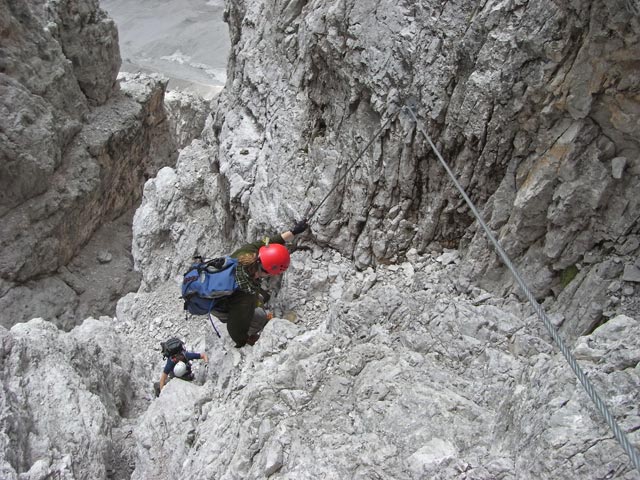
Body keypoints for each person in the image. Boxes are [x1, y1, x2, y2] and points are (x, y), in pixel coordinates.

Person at [212, 219, 309, 347]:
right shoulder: (244, 292)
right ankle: (251, 331)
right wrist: (243, 340)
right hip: (219, 304)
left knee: (263, 297)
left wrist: (294, 231)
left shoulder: (249, 252)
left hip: (219, 282)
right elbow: (234, 326)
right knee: (260, 317)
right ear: (266, 272)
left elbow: (269, 242)